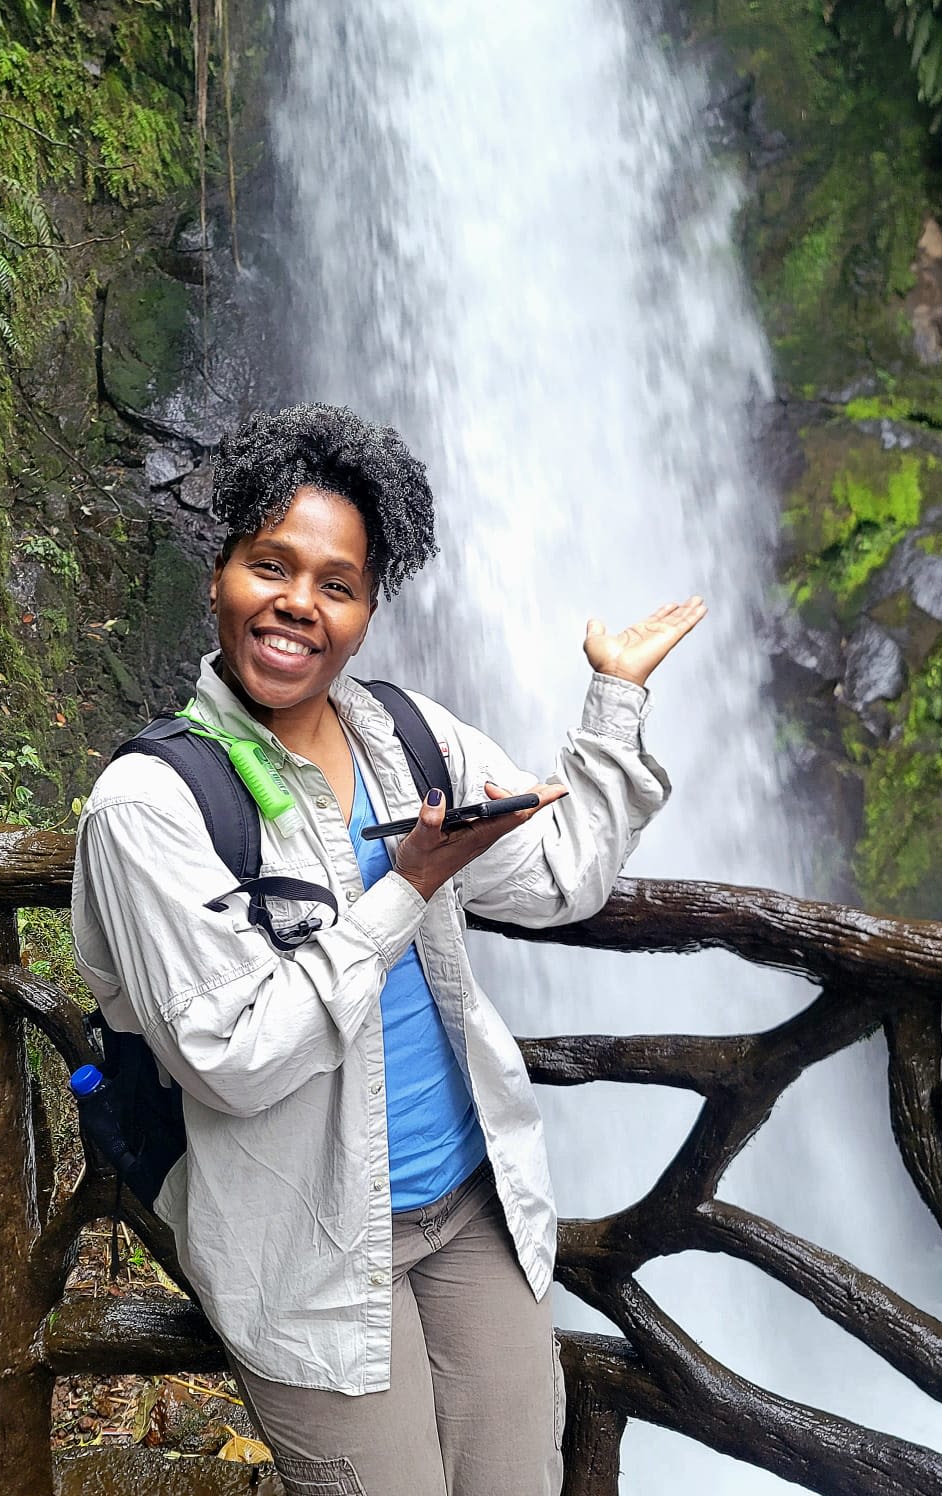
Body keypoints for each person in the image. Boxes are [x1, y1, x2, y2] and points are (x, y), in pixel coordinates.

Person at [71, 402, 705, 1496]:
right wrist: (407, 886)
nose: (297, 606)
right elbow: (232, 1054)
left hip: (470, 1204)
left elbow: (559, 876)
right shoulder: (151, 804)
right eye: (271, 565)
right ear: (221, 569)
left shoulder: (404, 734)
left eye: (337, 584)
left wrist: (614, 698)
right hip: (305, 1249)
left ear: (367, 610)